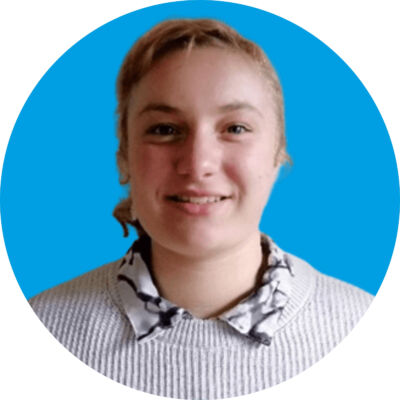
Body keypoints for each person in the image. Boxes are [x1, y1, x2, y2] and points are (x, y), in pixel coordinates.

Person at [29, 18, 373, 399]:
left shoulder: (372, 335)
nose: (197, 164)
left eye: (235, 128)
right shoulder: (33, 333)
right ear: (124, 157)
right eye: (164, 129)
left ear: (278, 155)